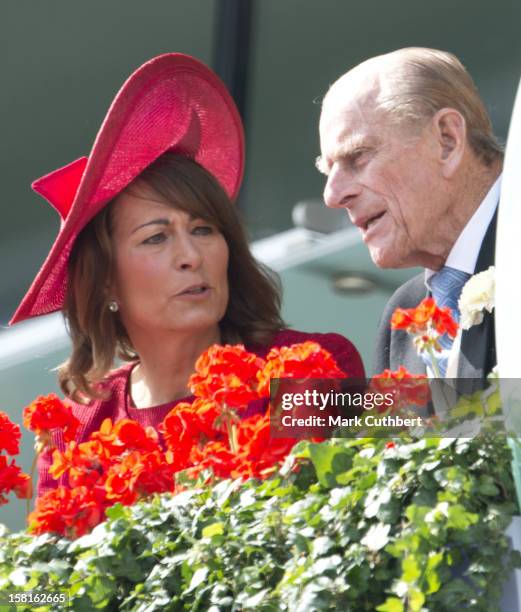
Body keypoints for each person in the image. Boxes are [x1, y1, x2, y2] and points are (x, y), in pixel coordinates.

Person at [10, 54, 365, 497]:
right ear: (104, 282)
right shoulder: (77, 427)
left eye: (203, 229)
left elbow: (442, 429)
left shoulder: (304, 367)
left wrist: (453, 383)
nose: (191, 256)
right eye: (156, 238)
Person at [317, 47, 503, 381]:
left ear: (446, 140)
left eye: (357, 156)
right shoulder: (403, 315)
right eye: (327, 171)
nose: (333, 195)